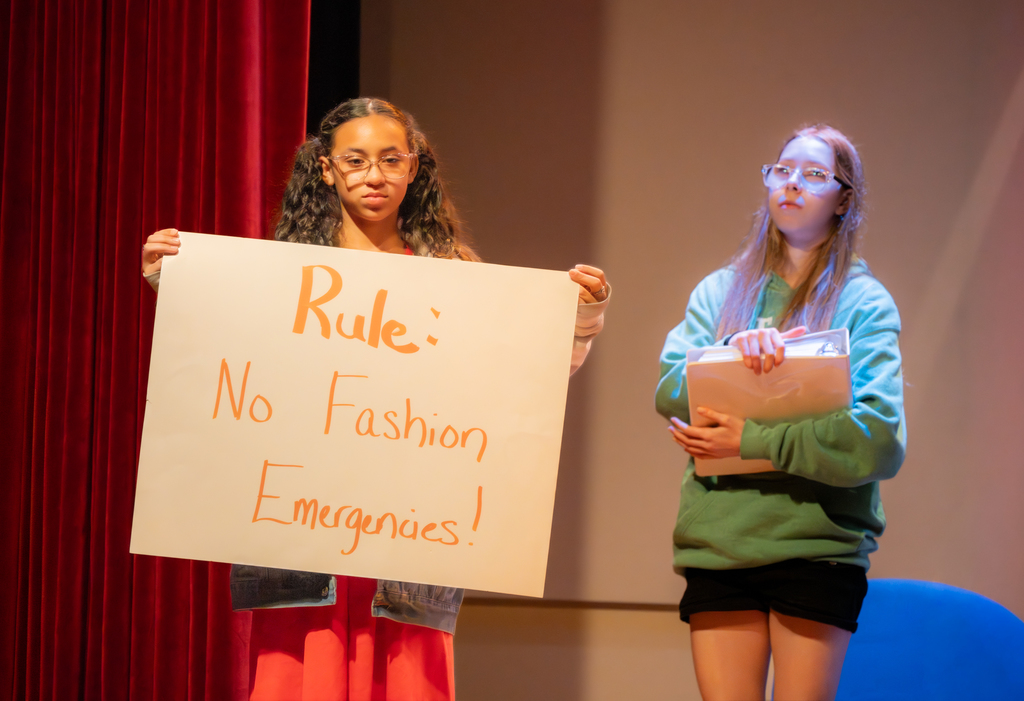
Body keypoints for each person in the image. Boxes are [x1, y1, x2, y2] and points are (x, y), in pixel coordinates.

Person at [142, 97, 610, 701]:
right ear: (326, 169)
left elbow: (523, 380)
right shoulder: (282, 274)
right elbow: (221, 369)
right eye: (356, 160)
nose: (374, 175)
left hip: (410, 539)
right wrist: (176, 284)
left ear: (414, 169)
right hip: (302, 533)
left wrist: (577, 319)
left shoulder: (454, 275)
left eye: (391, 160)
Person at [655, 125, 904, 701]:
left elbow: (876, 438)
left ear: (843, 199)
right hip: (721, 539)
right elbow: (671, 389)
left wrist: (752, 440)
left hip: (816, 545)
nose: (792, 184)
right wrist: (733, 358)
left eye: (815, 175)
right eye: (782, 170)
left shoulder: (863, 302)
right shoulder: (720, 293)